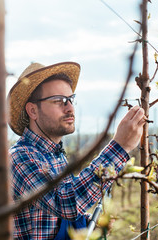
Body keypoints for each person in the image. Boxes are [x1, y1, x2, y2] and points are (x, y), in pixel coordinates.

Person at [7, 61, 146, 239]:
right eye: (58, 101)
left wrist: (85, 225)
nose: (70, 108)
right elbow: (65, 203)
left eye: (71, 99)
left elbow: (56, 216)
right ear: (33, 111)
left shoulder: (55, 156)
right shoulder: (20, 158)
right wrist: (120, 147)